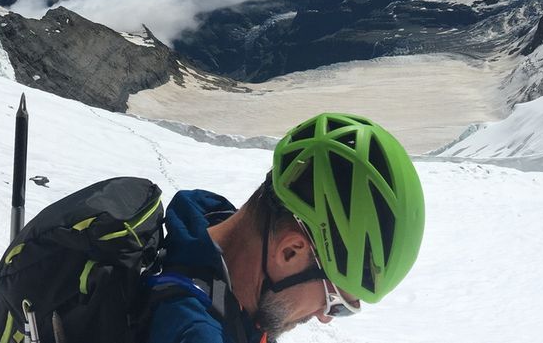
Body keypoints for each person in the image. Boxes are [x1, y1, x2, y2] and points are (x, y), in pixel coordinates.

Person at [144, 112, 426, 342]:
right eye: (335, 302)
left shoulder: (206, 227)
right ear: (290, 251)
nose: (324, 317)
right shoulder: (195, 332)